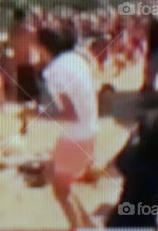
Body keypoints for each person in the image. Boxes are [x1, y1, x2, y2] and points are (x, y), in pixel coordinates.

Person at [39, 26, 98, 228]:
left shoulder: (53, 71)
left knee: (61, 190)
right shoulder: (78, 60)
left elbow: (69, 113)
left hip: (74, 136)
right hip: (88, 131)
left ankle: (78, 226)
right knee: (61, 181)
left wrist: (38, 114)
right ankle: (88, 223)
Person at [104, 114, 158, 228]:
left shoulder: (134, 159)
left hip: (120, 222)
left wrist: (132, 138)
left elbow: (114, 165)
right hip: (147, 224)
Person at [10, 9, 44, 134]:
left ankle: (25, 123)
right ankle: (33, 119)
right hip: (29, 64)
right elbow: (38, 42)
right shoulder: (29, 30)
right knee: (37, 94)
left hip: (19, 65)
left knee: (24, 98)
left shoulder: (13, 32)